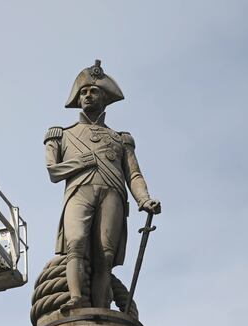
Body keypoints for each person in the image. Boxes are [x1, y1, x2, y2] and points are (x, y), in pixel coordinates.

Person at [45, 60, 161, 312]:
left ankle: (101, 308)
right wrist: (84, 161)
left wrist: (144, 199)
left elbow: (134, 175)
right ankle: (76, 298)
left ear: (104, 97)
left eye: (93, 91)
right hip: (79, 191)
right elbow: (54, 172)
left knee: (104, 256)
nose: (88, 95)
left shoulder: (121, 139)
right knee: (75, 242)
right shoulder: (61, 134)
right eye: (83, 91)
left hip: (113, 194)